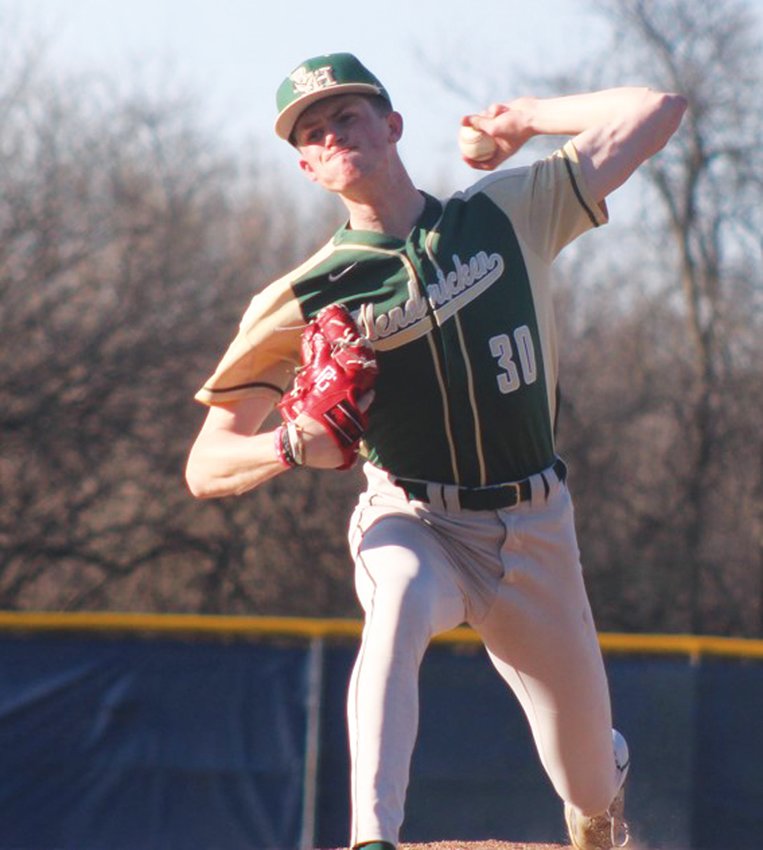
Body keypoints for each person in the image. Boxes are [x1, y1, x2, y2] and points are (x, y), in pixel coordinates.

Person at [185, 52, 686, 850]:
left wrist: (522, 118)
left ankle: (599, 793)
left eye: (346, 114)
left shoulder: (503, 212)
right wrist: (287, 444)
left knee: (588, 792)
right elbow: (205, 465)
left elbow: (656, 109)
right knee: (395, 609)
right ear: (309, 168)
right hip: (414, 516)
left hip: (536, 528)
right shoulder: (300, 297)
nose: (331, 133)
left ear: (391, 125)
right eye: (311, 132)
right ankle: (370, 837)